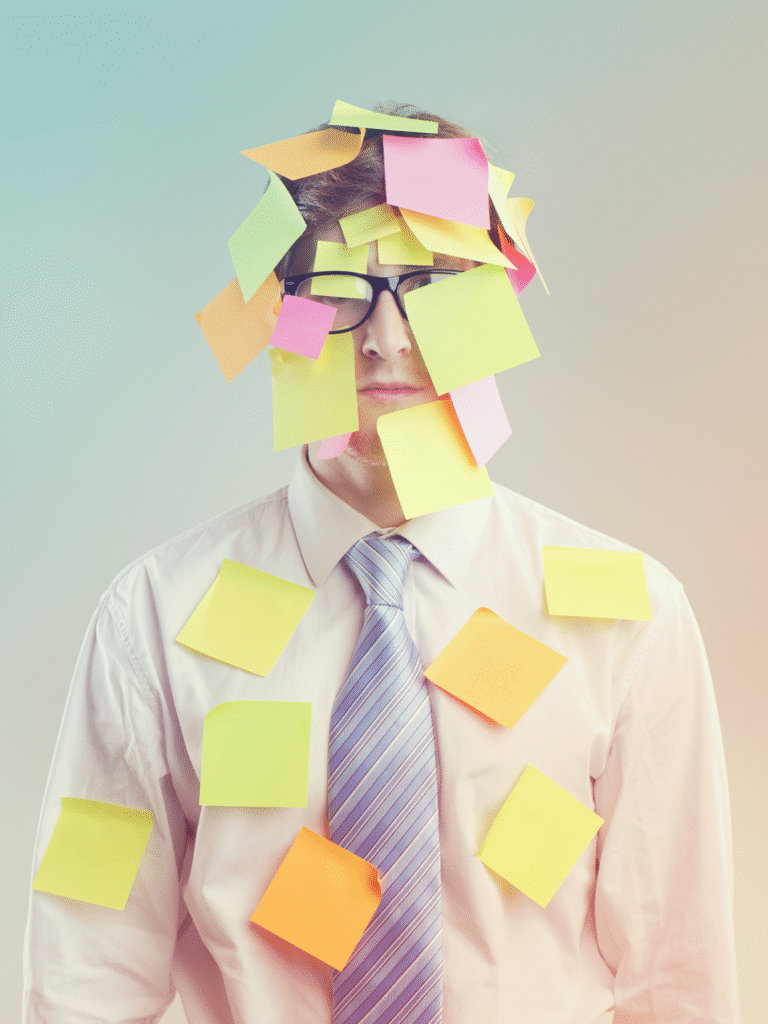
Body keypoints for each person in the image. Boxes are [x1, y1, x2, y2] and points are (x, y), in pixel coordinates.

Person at [24, 103, 740, 1023]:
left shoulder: (632, 616)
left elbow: (677, 974)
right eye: (337, 288)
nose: (387, 339)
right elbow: (89, 974)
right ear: (277, 313)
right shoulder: (155, 617)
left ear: (494, 307)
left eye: (431, 288)